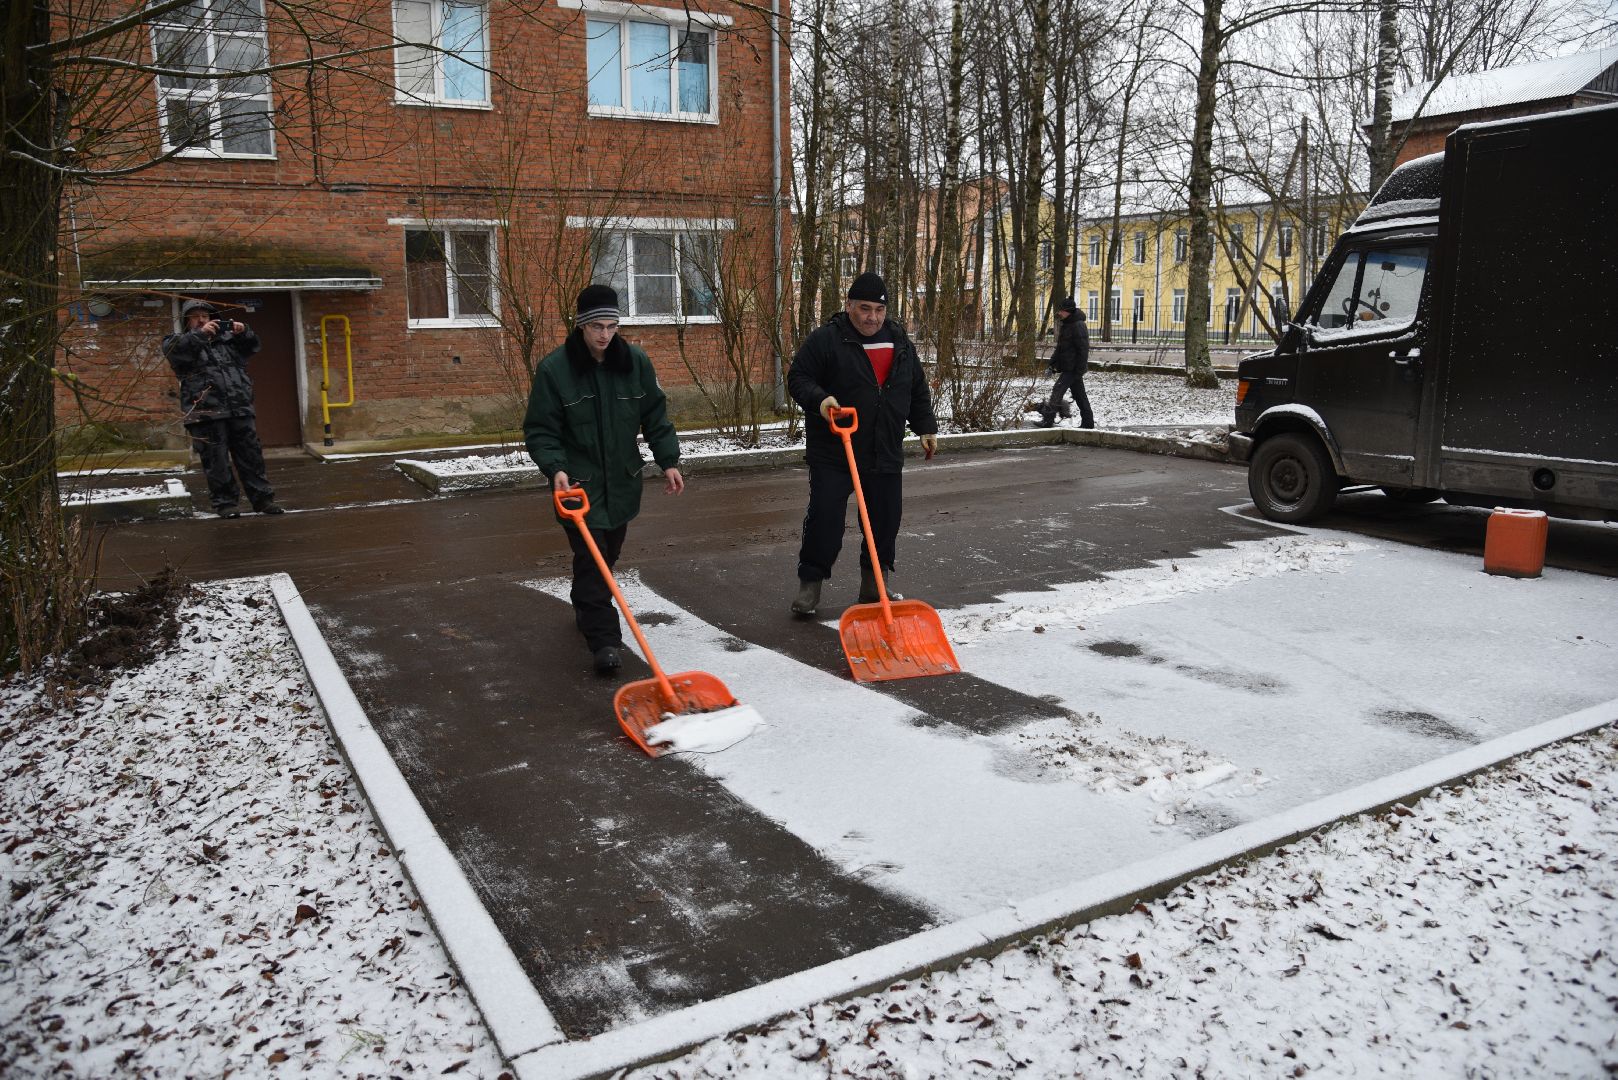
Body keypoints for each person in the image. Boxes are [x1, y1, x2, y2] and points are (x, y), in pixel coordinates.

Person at [524, 285, 684, 675]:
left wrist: (668, 460)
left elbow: (655, 417)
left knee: (605, 557)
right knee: (593, 562)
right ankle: (605, 642)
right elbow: (542, 430)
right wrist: (556, 467)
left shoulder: (634, 363)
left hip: (623, 483)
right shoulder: (555, 370)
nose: (605, 335)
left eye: (612, 326)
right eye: (597, 326)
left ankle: (585, 606)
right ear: (581, 326)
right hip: (577, 486)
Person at [787, 271, 938, 617]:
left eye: (879, 310)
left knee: (885, 519)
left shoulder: (899, 341)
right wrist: (821, 400)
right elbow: (798, 377)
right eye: (864, 308)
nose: (872, 317)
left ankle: (874, 583)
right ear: (849, 306)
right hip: (835, 450)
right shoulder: (827, 340)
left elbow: (915, 387)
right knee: (825, 518)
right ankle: (810, 585)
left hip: (884, 449)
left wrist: (925, 426)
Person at [163, 299, 283, 518]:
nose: (201, 320)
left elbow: (253, 345)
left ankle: (263, 500)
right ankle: (226, 504)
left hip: (239, 406)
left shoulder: (227, 341)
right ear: (186, 321)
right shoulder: (176, 341)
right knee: (216, 460)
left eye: (205, 316)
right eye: (195, 316)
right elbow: (177, 352)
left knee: (251, 456)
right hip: (206, 413)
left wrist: (243, 330)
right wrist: (201, 335)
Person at [1038, 297, 1095, 429]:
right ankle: (1088, 423)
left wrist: (1079, 370)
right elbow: (1060, 349)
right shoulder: (1067, 324)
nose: (1059, 313)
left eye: (1062, 311)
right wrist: (1052, 365)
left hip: (1073, 369)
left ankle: (1047, 421)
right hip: (1069, 368)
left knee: (1057, 391)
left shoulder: (1078, 325)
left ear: (1068, 311)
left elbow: (1083, 349)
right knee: (1080, 396)